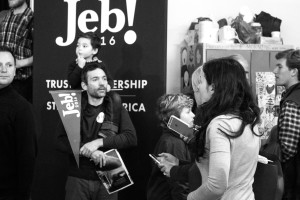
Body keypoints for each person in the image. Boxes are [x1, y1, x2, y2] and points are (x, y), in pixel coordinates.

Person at [160, 57, 261, 200]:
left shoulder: (219, 125)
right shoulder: (249, 119)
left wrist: (191, 198)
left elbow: (216, 186)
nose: (197, 88)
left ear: (212, 87)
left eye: (201, 81)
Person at [57, 62, 137, 200]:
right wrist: (90, 152)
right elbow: (60, 140)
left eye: (104, 79)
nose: (102, 83)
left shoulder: (116, 105)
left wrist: (99, 142)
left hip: (110, 176)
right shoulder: (72, 106)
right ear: (84, 85)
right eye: (95, 79)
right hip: (78, 178)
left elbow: (130, 138)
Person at [0, 46, 37, 199]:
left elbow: (27, 157)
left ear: (15, 70)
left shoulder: (22, 108)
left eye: (9, 65)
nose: (4, 69)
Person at [68, 32, 122, 132]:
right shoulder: (74, 64)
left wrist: (108, 86)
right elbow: (72, 83)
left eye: (84, 46)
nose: (80, 48)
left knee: (115, 97)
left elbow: (109, 80)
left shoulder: (100, 64)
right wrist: (79, 66)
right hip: (80, 97)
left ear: (94, 50)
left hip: (96, 96)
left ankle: (109, 128)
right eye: (78, 45)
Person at [147, 94, 195, 200]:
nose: (193, 115)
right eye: (188, 112)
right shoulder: (173, 143)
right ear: (174, 118)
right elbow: (180, 185)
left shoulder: (174, 139)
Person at [273, 49, 300, 200]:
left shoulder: (292, 102)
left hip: (293, 181)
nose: (274, 70)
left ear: (294, 71)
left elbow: (288, 149)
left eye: (280, 67)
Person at [0, 0, 34, 102]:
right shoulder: (3, 16)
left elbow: (42, 53)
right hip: (1, 79)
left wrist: (18, 63)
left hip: (21, 82)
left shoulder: (32, 18)